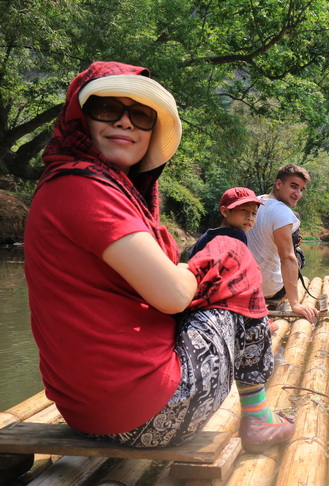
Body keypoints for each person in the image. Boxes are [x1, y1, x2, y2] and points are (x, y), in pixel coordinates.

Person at [24, 61, 294, 452]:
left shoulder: (80, 185)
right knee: (233, 251)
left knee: (221, 268)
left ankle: (248, 339)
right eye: (106, 109)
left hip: (85, 413)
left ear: (151, 130)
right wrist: (208, 261)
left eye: (140, 115)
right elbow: (173, 296)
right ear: (80, 118)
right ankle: (259, 417)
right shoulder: (85, 188)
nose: (126, 123)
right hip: (152, 414)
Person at [246, 164, 318, 323]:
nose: (298, 194)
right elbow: (287, 258)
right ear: (279, 184)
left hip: (249, 287)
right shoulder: (283, 212)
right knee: (297, 254)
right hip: (270, 290)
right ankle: (287, 294)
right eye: (293, 187)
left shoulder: (255, 201)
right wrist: (295, 304)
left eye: (302, 189)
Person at [188, 187, 261, 259]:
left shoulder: (205, 237)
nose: (250, 217)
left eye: (254, 213)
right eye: (244, 210)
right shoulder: (237, 236)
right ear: (225, 211)